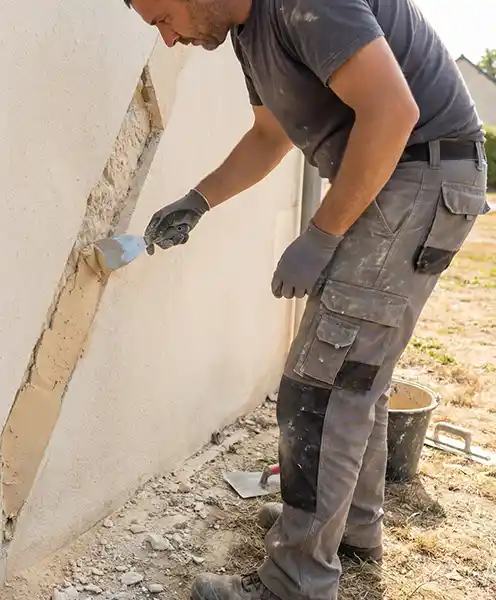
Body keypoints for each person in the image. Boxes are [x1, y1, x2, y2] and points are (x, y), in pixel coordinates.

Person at [122, 0, 490, 599]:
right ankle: (350, 530)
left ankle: (296, 583)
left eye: (163, 18)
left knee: (318, 387)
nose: (167, 39)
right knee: (354, 374)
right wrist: (199, 199)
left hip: (416, 172)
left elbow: (393, 113)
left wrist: (321, 235)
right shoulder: (245, 32)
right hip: (399, 174)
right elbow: (271, 134)